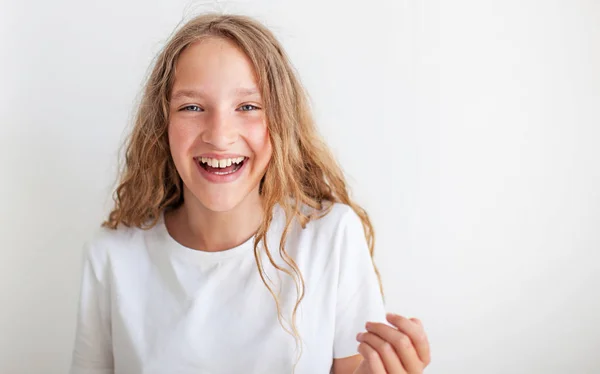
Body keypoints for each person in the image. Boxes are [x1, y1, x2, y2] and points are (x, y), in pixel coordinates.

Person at [69, 13, 431, 374]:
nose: (220, 134)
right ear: (161, 124)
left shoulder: (331, 237)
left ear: (282, 122)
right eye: (192, 107)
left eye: (248, 107)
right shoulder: (111, 256)